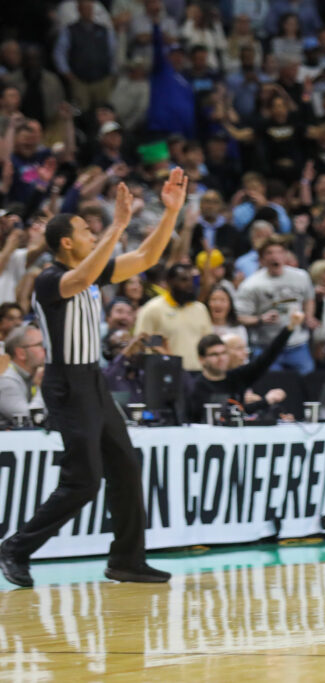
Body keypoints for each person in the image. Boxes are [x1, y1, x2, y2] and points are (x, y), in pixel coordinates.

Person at [0, 169, 188, 588]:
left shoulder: (95, 270)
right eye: (86, 229)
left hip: (94, 380)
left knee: (125, 468)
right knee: (83, 482)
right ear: (67, 242)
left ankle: (126, 561)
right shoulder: (50, 279)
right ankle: (15, 548)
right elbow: (82, 278)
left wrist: (171, 212)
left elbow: (146, 258)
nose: (93, 232)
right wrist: (118, 224)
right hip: (67, 384)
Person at [190, 310, 305, 423]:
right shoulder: (197, 387)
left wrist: (290, 327)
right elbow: (226, 414)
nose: (221, 358)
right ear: (202, 359)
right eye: (214, 355)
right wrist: (266, 401)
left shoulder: (237, 377)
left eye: (223, 353)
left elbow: (267, 358)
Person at [235, 235, 318, 375]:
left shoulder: (301, 276)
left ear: (286, 255)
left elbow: (309, 299)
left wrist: (309, 316)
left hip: (298, 344)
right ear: (262, 258)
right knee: (271, 384)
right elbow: (240, 317)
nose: (275, 256)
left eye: (279, 252)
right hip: (267, 347)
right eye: (269, 253)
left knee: (307, 382)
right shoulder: (251, 284)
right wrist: (260, 319)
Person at [134, 263, 213, 371]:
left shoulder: (200, 309)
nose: (190, 284)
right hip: (166, 372)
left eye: (191, 280)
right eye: (184, 280)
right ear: (169, 282)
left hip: (198, 371)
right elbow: (142, 343)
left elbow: (208, 343)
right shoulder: (152, 309)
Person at [0, 324, 46, 422]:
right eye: (40, 345)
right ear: (21, 353)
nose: (45, 349)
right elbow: (34, 419)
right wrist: (42, 387)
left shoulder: (31, 375)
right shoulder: (6, 380)